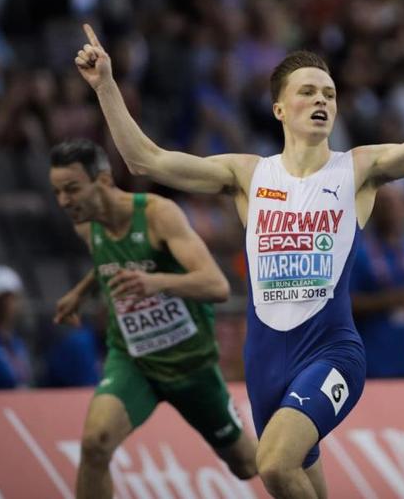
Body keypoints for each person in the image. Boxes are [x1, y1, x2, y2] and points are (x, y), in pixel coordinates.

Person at [74, 23, 404, 498]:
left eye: (330, 94)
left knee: (272, 463)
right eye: (308, 92)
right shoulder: (247, 174)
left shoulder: (358, 169)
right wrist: (106, 85)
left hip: (332, 352)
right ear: (278, 108)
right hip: (265, 363)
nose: (322, 101)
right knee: (297, 482)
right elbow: (145, 160)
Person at [48, 139, 257, 499]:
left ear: (102, 180)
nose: (64, 201)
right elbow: (109, 262)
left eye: (72, 189)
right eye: (57, 192)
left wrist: (155, 282)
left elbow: (216, 285)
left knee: (246, 465)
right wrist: (81, 292)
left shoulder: (158, 215)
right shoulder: (86, 225)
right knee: (95, 444)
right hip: (134, 361)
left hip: (191, 366)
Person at [349, 183, 404, 378]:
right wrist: (387, 301)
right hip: (374, 360)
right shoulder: (358, 252)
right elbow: (347, 303)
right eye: (384, 203)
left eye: (397, 203)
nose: (391, 210)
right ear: (372, 208)